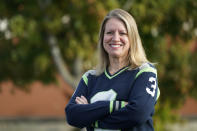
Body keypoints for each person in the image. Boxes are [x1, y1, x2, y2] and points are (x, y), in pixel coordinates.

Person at [65, 8, 160, 131]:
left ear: (132, 38)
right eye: (109, 32)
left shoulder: (144, 72)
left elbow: (138, 114)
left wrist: (90, 115)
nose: (115, 38)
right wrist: (116, 105)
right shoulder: (90, 77)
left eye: (122, 33)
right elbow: (72, 116)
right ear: (102, 38)